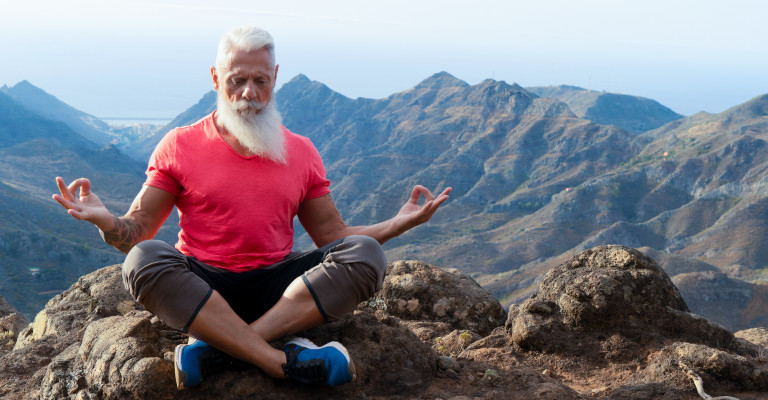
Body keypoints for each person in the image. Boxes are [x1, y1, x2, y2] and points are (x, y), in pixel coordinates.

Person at [52, 25, 451, 389]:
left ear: (275, 78)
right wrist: (106, 222)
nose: (249, 93)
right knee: (143, 259)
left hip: (281, 290)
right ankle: (280, 359)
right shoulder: (180, 145)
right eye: (236, 81)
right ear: (215, 79)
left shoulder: (300, 151)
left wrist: (397, 224)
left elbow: (332, 236)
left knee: (366, 255)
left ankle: (221, 349)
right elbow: (137, 230)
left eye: (260, 81)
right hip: (204, 287)